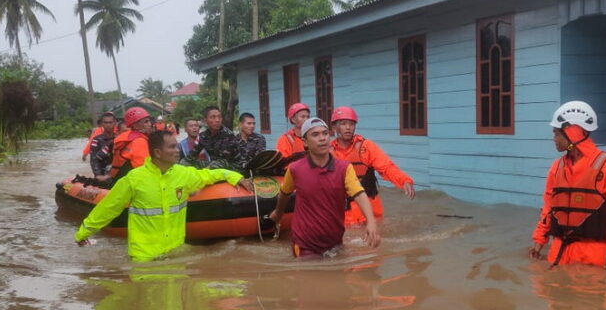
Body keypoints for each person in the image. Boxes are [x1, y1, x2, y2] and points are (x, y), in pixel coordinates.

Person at [75, 130, 253, 262]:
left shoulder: (183, 174)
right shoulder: (134, 179)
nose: (178, 151)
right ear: (158, 153)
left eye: (177, 146)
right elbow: (108, 208)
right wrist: (82, 234)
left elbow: (211, 175)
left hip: (175, 254)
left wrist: (236, 177)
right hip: (143, 257)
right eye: (172, 147)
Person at [529, 101, 606, 269]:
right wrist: (539, 240)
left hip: (597, 254)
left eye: (557, 133)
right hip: (560, 254)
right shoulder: (557, 168)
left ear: (573, 132)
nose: (554, 138)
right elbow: (549, 208)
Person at [270, 117, 381, 258]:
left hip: (335, 242)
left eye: (325, 133)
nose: (322, 138)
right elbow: (284, 194)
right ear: (305, 142)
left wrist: (371, 223)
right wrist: (278, 214)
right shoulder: (295, 169)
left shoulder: (344, 168)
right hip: (305, 244)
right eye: (315, 135)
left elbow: (359, 194)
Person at [330, 106, 416, 225]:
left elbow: (387, 167)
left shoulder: (366, 147)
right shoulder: (328, 152)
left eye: (351, 124)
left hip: (369, 213)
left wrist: (405, 181)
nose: (348, 127)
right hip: (342, 214)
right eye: (343, 124)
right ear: (334, 127)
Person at [107, 107, 154, 182]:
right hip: (130, 182)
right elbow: (144, 169)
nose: (150, 124)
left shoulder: (126, 137)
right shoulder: (139, 141)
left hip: (118, 178)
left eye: (149, 121)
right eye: (146, 122)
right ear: (135, 126)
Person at [90, 112, 117, 181]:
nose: (108, 125)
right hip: (103, 172)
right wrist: (98, 175)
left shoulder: (119, 138)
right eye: (106, 122)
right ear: (102, 124)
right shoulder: (97, 140)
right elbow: (94, 159)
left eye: (111, 122)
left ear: (115, 123)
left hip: (117, 170)